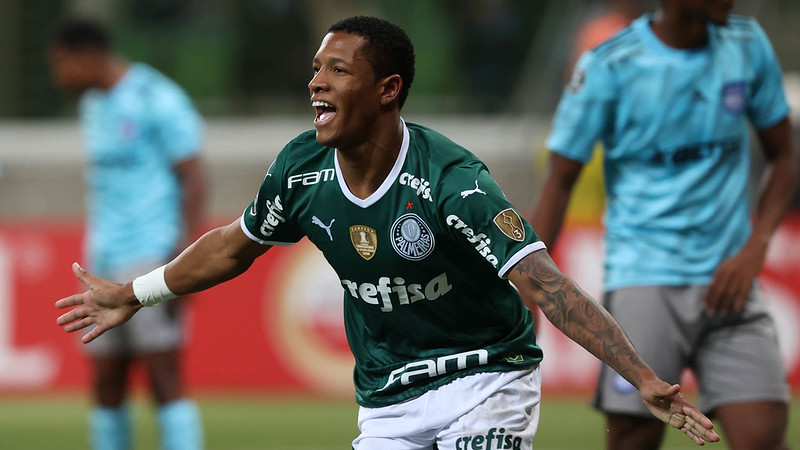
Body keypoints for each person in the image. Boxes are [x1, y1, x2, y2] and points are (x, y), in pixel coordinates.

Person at [56, 16, 719, 449]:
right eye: (317, 68)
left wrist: (642, 377)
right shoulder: (301, 169)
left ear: (387, 89)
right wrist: (134, 294)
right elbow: (235, 243)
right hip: (389, 398)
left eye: (339, 71)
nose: (317, 82)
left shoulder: (453, 181)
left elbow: (545, 284)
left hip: (485, 381)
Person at [533, 1, 798, 449]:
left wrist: (756, 247)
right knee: (635, 439)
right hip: (643, 279)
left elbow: (785, 154)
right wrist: (531, 284)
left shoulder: (747, 45)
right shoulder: (609, 63)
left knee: (764, 435)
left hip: (730, 282)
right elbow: (560, 179)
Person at [49, 19, 206, 450]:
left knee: (163, 374)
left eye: (62, 64)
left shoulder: (157, 98)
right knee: (105, 380)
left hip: (151, 255)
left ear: (88, 57)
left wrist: (182, 261)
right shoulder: (92, 104)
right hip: (101, 259)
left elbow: (193, 177)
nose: (58, 75)